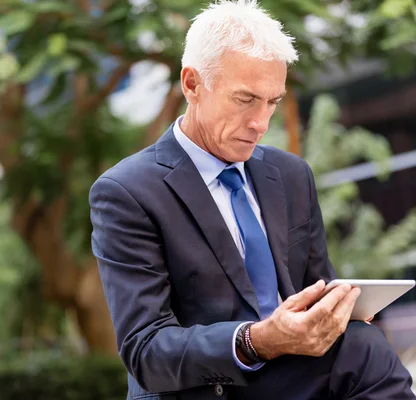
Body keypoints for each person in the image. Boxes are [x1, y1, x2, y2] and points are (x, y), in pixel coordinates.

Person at [88, 1, 416, 399]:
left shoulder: (291, 175)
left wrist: (334, 313)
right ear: (192, 84)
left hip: (292, 375)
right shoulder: (126, 192)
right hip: (205, 387)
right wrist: (257, 340)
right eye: (245, 100)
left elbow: (318, 287)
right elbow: (147, 351)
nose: (261, 123)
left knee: (365, 345)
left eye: (272, 102)